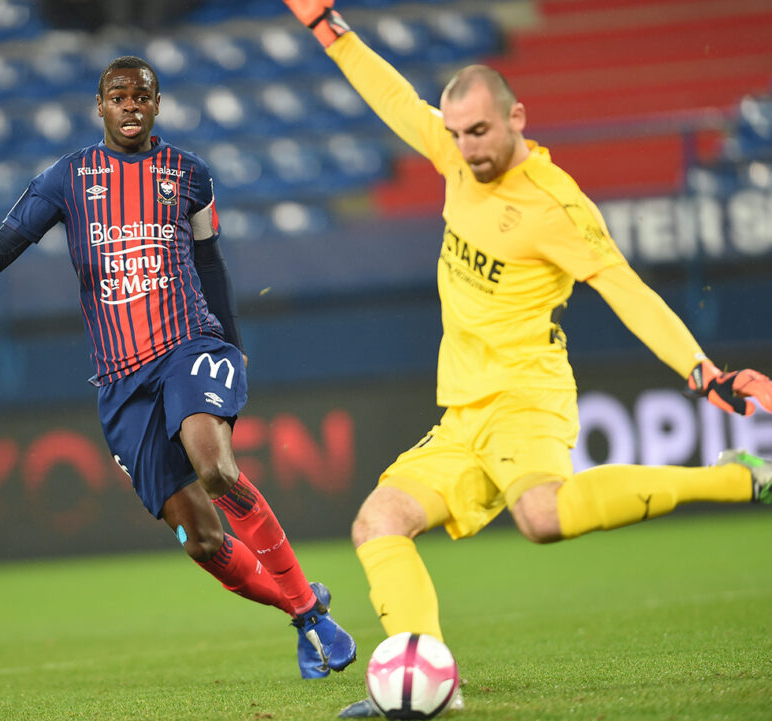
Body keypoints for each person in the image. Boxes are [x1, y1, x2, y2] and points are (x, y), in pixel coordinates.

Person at [279, 1, 772, 716]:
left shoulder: (554, 206)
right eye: (456, 132)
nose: (466, 146)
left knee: (541, 515)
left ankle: (738, 480)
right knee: (377, 522)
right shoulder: (454, 157)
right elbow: (390, 94)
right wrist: (328, 24)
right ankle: (428, 687)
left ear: (516, 118)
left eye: (479, 130)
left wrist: (702, 372)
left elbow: (625, 288)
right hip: (464, 410)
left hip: (527, 397)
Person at [0, 55, 356, 680]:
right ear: (100, 107)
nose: (131, 105)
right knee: (201, 539)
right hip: (120, 380)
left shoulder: (189, 176)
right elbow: (1, 251)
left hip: (188, 345)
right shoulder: (68, 178)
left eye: (142, 95)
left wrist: (232, 341)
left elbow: (212, 263)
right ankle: (306, 611)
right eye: (118, 96)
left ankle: (311, 616)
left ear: (158, 104)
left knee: (215, 468)